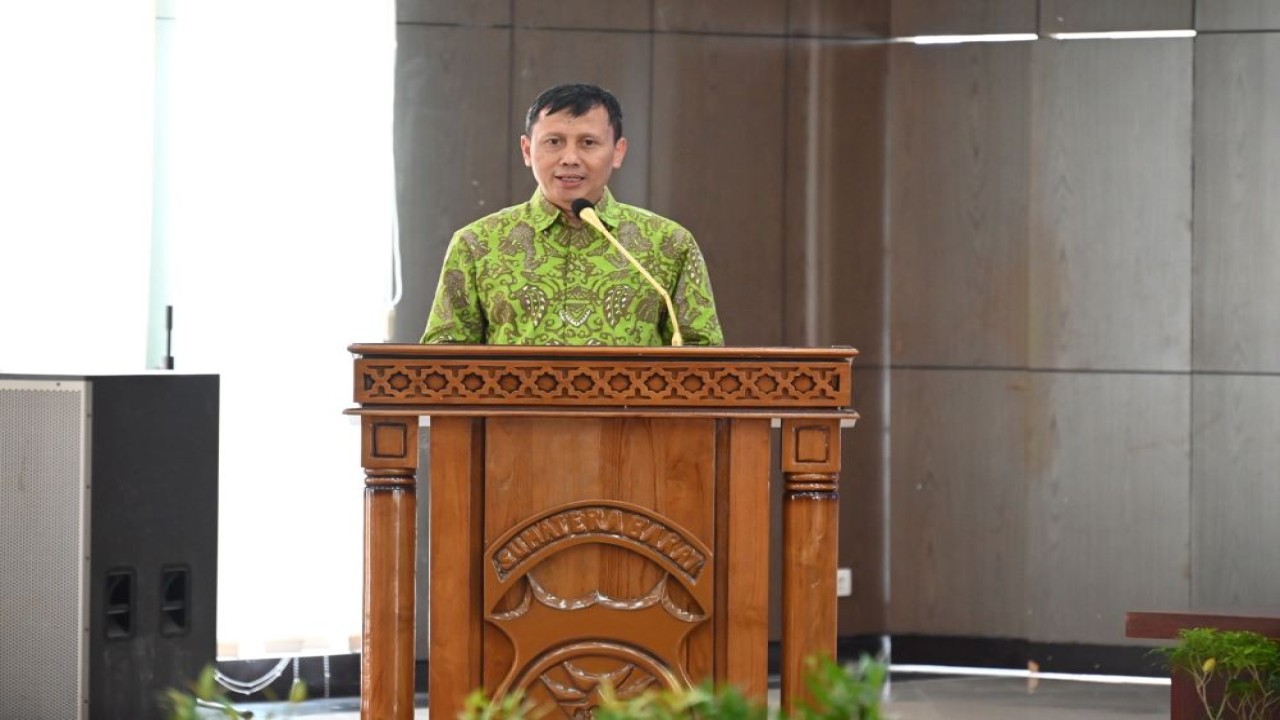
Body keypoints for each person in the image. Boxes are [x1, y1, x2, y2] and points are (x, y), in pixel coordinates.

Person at [421, 83, 724, 346]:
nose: (569, 159)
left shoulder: (670, 244)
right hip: (514, 415)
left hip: (630, 414)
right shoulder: (477, 244)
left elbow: (703, 354)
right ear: (527, 150)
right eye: (554, 142)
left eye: (588, 143)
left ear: (618, 151)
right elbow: (443, 355)